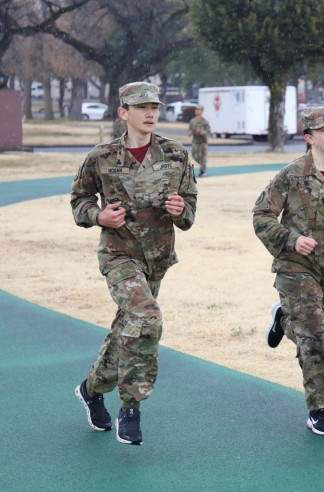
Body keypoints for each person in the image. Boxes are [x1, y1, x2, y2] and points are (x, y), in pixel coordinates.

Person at [71, 81, 198, 445]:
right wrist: (98, 216)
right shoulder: (102, 157)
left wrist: (181, 210)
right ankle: (131, 408)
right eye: (142, 107)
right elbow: (79, 201)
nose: (150, 113)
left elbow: (189, 205)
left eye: (154, 106)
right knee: (147, 317)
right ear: (123, 113)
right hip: (119, 254)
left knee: (129, 327)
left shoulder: (175, 154)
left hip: (156, 257)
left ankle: (92, 389)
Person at [252, 106, 324, 436]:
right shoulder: (291, 174)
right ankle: (320, 409)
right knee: (315, 339)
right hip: (296, 268)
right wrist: (291, 239)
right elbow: (262, 216)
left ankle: (283, 320)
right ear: (308, 137)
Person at [188, 104, 211, 177]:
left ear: (202, 111)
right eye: (196, 109)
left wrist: (201, 132)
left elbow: (208, 132)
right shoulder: (192, 121)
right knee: (194, 155)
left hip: (203, 141)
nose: (196, 111)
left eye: (198, 109)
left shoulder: (205, 122)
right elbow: (189, 131)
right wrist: (190, 133)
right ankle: (203, 164)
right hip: (195, 141)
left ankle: (203, 171)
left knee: (203, 156)